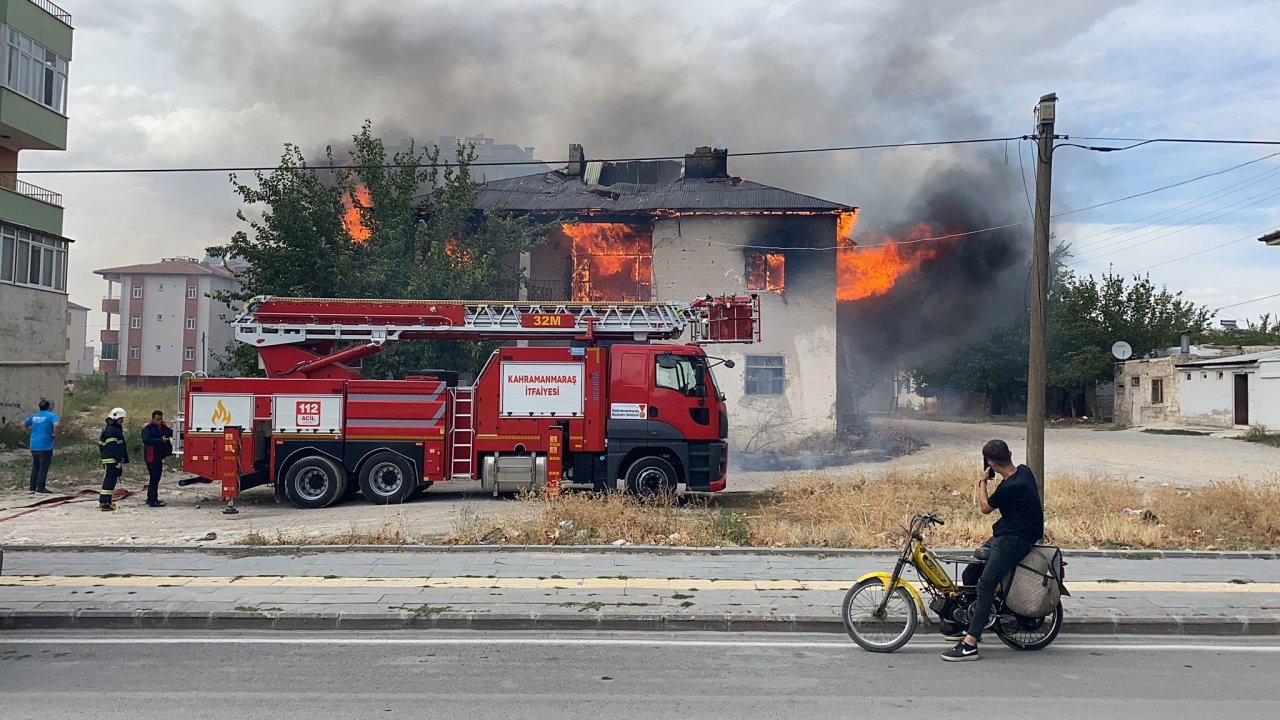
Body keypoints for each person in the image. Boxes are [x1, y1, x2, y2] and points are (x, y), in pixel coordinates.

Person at [940, 439, 1044, 662]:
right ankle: (967, 622)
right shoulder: (1024, 472)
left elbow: (985, 508)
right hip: (1005, 534)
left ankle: (970, 644)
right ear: (1010, 453)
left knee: (986, 585)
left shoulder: (1010, 487)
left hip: (1016, 539)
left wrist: (982, 482)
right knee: (970, 574)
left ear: (991, 464)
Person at [22, 399, 60, 494]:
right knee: (43, 467)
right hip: (45, 444)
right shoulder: (52, 416)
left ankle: (32, 487)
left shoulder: (34, 416)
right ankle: (41, 487)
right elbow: (57, 425)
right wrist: (54, 434)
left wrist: (30, 433)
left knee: (36, 466)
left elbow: (22, 424)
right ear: (49, 407)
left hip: (34, 444)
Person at [98, 407, 130, 512]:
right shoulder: (111, 430)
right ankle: (105, 503)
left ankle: (106, 501)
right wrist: (118, 460)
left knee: (110, 481)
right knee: (109, 481)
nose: (122, 421)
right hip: (111, 460)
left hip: (111, 459)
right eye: (121, 418)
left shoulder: (113, 428)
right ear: (115, 417)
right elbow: (112, 447)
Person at [140, 410, 174, 508]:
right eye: (157, 419)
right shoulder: (148, 428)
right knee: (154, 478)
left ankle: (153, 498)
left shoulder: (163, 427)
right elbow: (146, 440)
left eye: (161, 419)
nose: (159, 421)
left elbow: (170, 433)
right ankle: (152, 500)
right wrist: (160, 440)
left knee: (156, 477)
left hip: (158, 456)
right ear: (153, 419)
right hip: (151, 457)